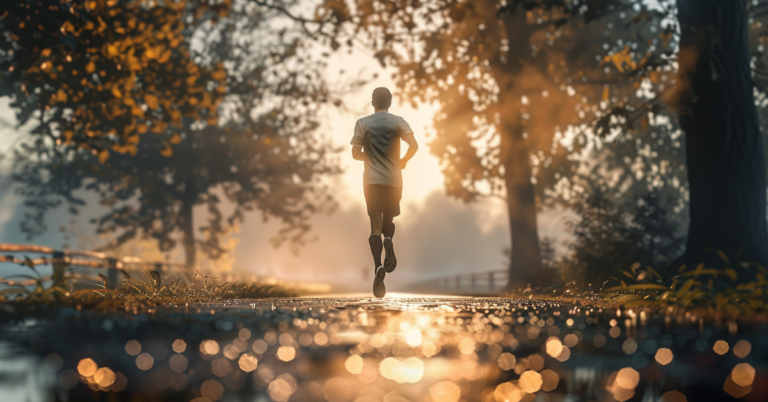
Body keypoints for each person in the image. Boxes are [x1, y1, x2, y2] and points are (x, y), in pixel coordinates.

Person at [351, 87, 418, 298]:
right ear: (390, 102)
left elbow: (355, 154)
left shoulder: (362, 123)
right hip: (393, 181)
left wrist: (372, 157)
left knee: (374, 226)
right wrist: (403, 160)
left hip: (372, 182)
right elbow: (414, 145)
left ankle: (378, 266)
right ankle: (388, 239)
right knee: (389, 220)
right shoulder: (398, 122)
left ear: (372, 102)